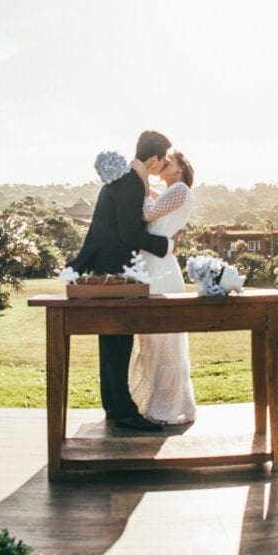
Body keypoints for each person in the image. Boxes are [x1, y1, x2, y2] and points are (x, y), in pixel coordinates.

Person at [68, 130, 175, 431]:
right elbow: (129, 233)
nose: (163, 165)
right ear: (152, 159)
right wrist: (165, 246)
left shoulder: (123, 178)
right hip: (116, 270)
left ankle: (114, 405)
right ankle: (125, 411)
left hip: (105, 265)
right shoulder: (130, 182)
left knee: (110, 339)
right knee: (119, 338)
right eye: (163, 159)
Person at [128, 151, 197, 424]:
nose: (164, 164)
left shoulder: (180, 189)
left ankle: (166, 407)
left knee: (165, 341)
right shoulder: (169, 193)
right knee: (152, 341)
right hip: (152, 267)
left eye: (170, 162)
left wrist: (144, 179)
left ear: (181, 169)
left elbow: (146, 212)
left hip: (162, 271)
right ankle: (161, 403)